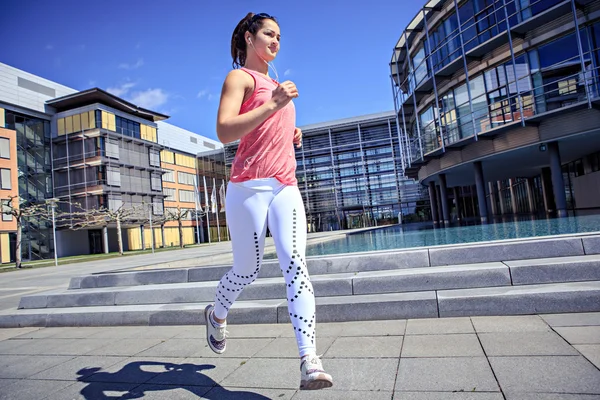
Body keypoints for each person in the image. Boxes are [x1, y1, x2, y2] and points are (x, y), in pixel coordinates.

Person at [203, 12, 333, 391]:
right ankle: (217, 313)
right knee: (247, 269)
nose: (276, 42)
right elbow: (225, 130)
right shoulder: (239, 78)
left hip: (285, 186)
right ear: (249, 37)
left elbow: (264, 126)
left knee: (295, 264)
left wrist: (289, 131)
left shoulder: (274, 82)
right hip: (248, 188)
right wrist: (274, 106)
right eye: (269, 34)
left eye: (279, 36)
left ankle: (310, 359)